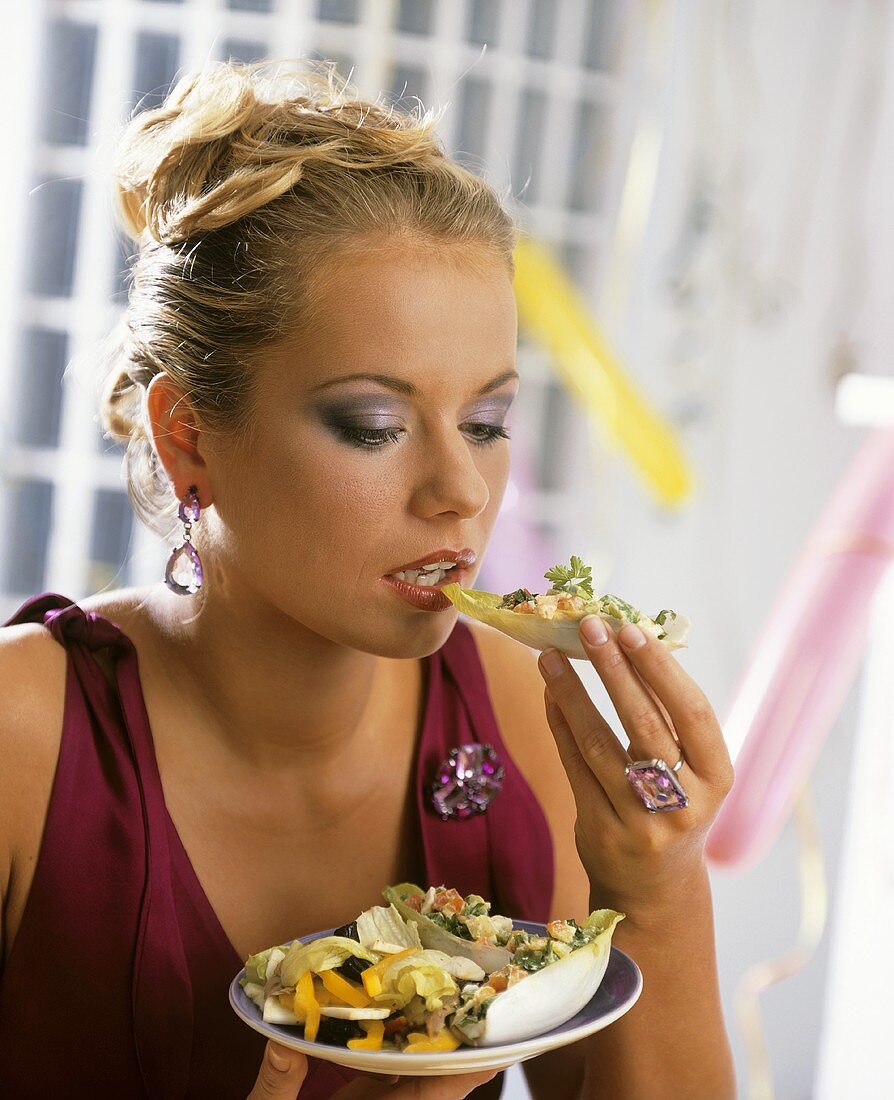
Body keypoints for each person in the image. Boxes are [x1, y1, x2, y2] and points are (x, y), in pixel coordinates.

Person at [0, 59, 736, 1098]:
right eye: (373, 425)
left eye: (486, 423)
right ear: (188, 435)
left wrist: (655, 887)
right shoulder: (19, 741)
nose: (460, 490)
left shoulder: (528, 717)